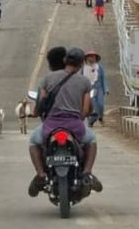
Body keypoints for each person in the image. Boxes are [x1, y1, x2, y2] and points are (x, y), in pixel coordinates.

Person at [27, 46, 104, 197]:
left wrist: (35, 113)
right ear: (82, 63)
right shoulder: (84, 82)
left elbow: (41, 102)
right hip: (74, 125)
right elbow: (86, 109)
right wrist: (79, 117)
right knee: (92, 141)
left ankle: (41, 174)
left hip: (51, 125)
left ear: (65, 60)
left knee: (33, 143)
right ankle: (87, 172)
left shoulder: (48, 79)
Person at [84, 51, 108, 126]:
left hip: (99, 88)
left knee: (100, 104)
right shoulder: (84, 68)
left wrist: (106, 89)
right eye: (90, 56)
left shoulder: (99, 67)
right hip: (89, 89)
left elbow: (103, 78)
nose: (92, 58)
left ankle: (100, 117)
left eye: (93, 56)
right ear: (87, 58)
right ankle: (91, 121)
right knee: (92, 105)